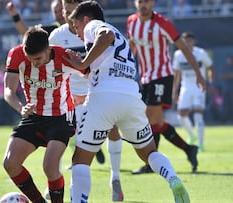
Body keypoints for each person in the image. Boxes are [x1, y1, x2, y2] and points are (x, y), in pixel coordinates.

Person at [64, 1, 190, 202]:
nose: (78, 33)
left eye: (76, 26)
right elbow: (105, 67)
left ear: (86, 19)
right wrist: (85, 68)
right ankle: (173, 178)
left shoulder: (93, 26)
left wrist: (84, 62)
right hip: (131, 98)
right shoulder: (121, 37)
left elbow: (106, 36)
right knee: (149, 152)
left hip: (103, 100)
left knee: (80, 160)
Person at [48, 0, 123, 201]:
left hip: (96, 91)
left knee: (112, 129)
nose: (68, 15)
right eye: (65, 10)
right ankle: (59, 183)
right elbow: (54, 67)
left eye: (72, 10)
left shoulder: (93, 31)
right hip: (70, 98)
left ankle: (115, 178)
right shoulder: (56, 36)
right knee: (63, 139)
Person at [2, 26, 85, 203]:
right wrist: (20, 107)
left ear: (48, 49)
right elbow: (8, 90)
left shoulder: (64, 55)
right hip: (33, 115)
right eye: (30, 59)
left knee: (50, 166)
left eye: (38, 59)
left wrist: (87, 97)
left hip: (61, 117)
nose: (34, 63)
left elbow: (93, 75)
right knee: (10, 163)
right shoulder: (16, 54)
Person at [126, 0, 206, 174]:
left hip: (162, 76)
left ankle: (150, 164)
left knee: (149, 118)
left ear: (153, 3)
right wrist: (126, 66)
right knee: (156, 122)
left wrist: (198, 74)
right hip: (146, 78)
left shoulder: (163, 23)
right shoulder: (131, 21)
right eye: (140, 1)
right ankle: (188, 149)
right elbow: (132, 45)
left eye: (146, 1)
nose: (143, 5)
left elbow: (183, 47)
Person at [172, 32, 215, 152]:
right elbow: (177, 74)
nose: (187, 42)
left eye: (190, 40)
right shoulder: (178, 54)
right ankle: (192, 135)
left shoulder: (200, 53)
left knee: (198, 115)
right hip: (185, 87)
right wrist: (174, 91)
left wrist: (210, 82)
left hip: (198, 87)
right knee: (181, 115)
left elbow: (210, 67)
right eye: (185, 40)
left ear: (194, 41)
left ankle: (201, 145)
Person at [220, 55, 233, 122]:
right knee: (225, 105)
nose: (229, 61)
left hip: (232, 89)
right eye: (228, 59)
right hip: (226, 89)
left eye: (230, 59)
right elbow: (222, 76)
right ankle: (224, 119)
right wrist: (230, 75)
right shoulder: (225, 67)